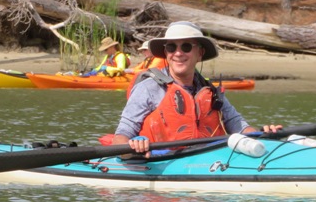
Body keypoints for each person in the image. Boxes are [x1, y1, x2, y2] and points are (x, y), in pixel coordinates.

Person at [113, 21, 280, 155]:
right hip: (158, 163)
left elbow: (240, 127)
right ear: (166, 53)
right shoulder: (148, 89)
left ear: (199, 53)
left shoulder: (212, 92)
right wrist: (133, 147)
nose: (178, 53)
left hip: (205, 163)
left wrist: (264, 135)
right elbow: (121, 137)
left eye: (186, 47)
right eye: (171, 47)